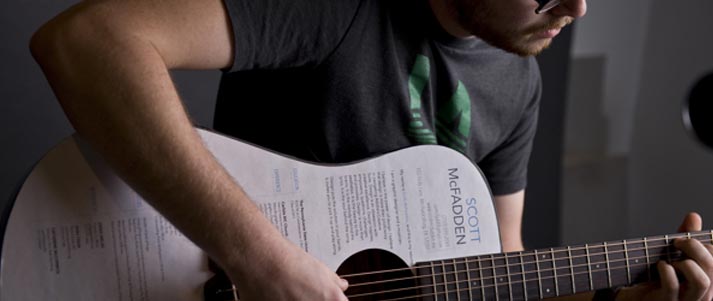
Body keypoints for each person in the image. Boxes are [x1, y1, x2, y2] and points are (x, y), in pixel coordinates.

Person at [29, 0, 713, 300]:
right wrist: (261, 260)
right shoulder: (343, 7)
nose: (575, 7)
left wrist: (622, 299)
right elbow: (86, 41)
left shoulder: (518, 83)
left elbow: (499, 270)